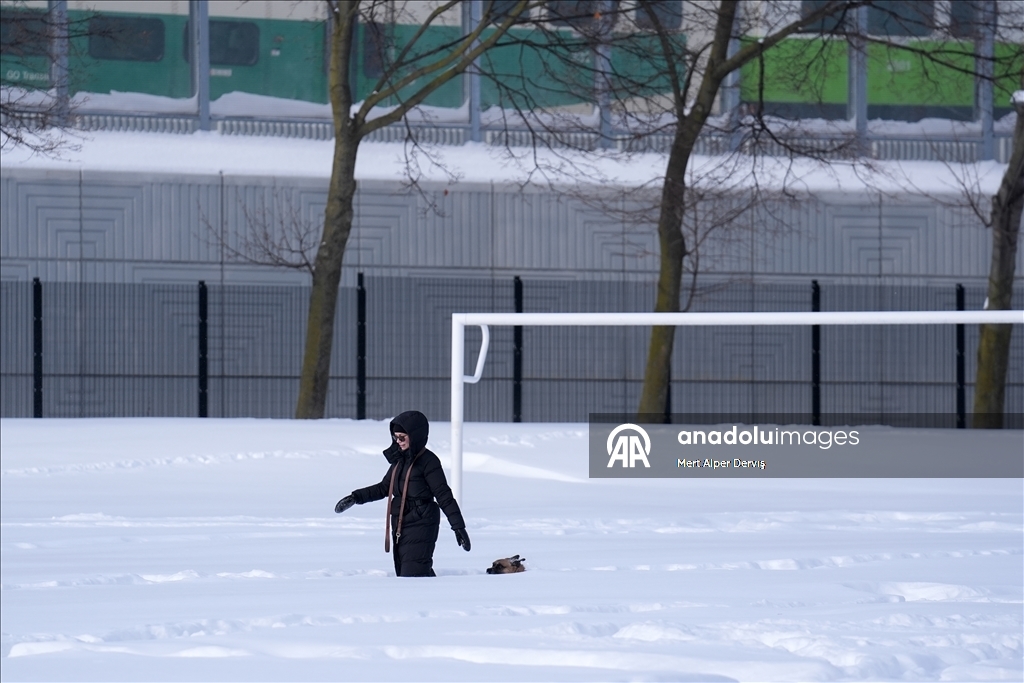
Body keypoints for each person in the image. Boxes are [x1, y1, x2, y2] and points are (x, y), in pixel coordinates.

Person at [334, 410, 470, 577]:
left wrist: (459, 527)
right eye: (395, 437)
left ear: (415, 436)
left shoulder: (429, 462)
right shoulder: (400, 460)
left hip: (423, 521)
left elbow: (444, 496)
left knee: (413, 573)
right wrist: (356, 497)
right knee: (406, 571)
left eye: (402, 437)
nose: (398, 441)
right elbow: (384, 487)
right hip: (400, 522)